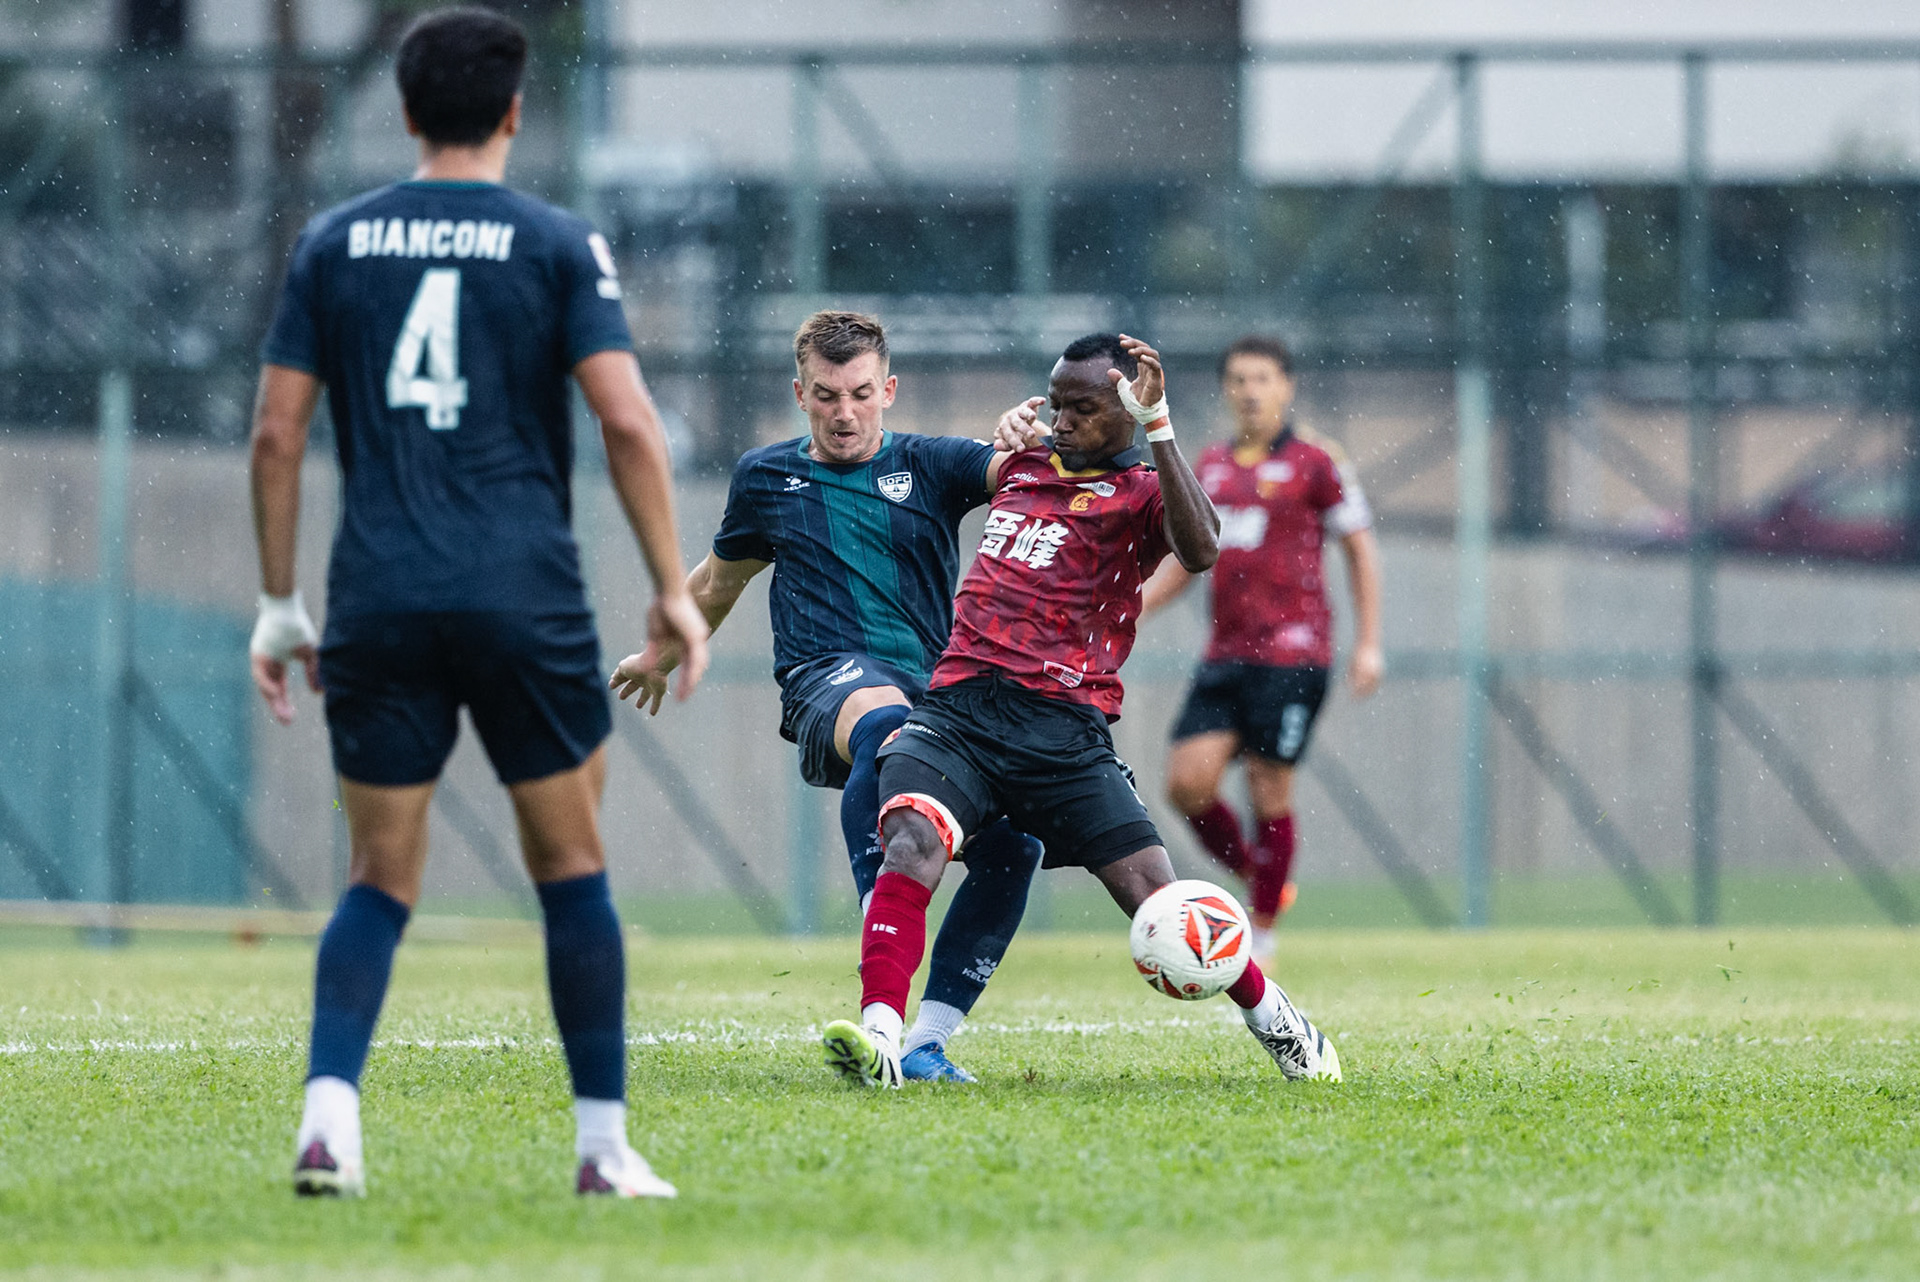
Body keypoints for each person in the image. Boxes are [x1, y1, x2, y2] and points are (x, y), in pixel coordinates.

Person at [246, 6, 708, 1200]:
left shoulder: (331, 243)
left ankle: (328, 1124)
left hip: (380, 595)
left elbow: (275, 435)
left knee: (378, 877)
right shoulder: (559, 243)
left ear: (404, 112)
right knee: (571, 866)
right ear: (513, 113)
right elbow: (625, 421)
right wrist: (672, 589)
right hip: (522, 596)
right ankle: (603, 1149)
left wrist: (277, 601)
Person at [820, 333, 1342, 1089]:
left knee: (1156, 898)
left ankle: (1279, 1023)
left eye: (1083, 408)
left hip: (1062, 730)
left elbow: (1200, 549)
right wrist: (999, 433)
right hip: (959, 709)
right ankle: (882, 1040)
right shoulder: (1024, 464)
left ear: (1128, 409)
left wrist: (1160, 425)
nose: (1062, 420)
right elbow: (943, 463)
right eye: (1056, 403)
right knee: (910, 837)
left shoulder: (1140, 490)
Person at [609, 310, 1042, 1085]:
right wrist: (657, 653)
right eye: (827, 395)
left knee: (1016, 848)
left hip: (936, 690)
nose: (845, 412)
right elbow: (718, 582)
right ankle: (882, 950)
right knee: (886, 726)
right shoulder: (765, 478)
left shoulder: (933, 465)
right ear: (800, 393)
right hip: (824, 679)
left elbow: (1024, 475)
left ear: (889, 391)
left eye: (861, 393)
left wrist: (1028, 438)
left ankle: (926, 1042)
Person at [1142, 335, 1381, 955]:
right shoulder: (1213, 466)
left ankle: (1264, 935)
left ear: (1286, 387)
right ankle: (1262, 879)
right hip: (1225, 653)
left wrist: (1369, 643)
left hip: (1294, 656)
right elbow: (1188, 560)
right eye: (1240, 380)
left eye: (1263, 379)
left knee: (1269, 787)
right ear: (1226, 389)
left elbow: (1359, 548)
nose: (1251, 391)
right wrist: (1130, 606)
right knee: (1186, 784)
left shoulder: (1316, 463)